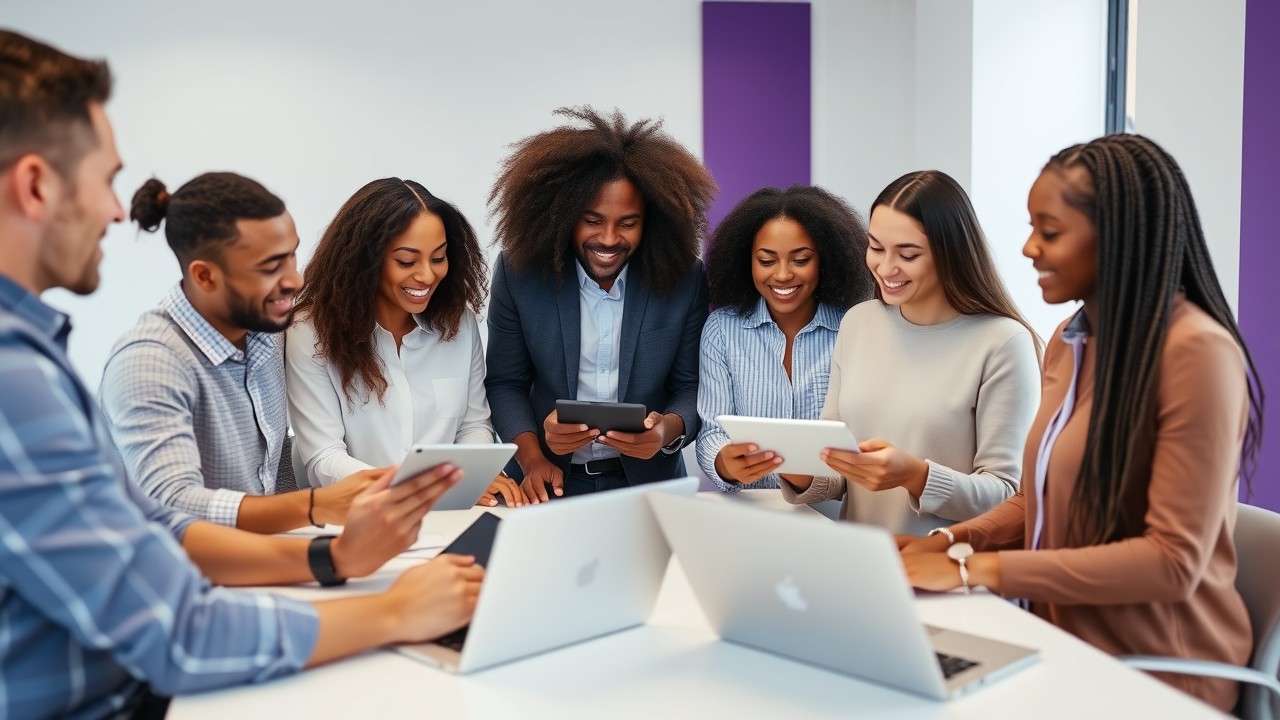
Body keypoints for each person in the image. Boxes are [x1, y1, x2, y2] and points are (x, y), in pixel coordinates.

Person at [0, 30, 482, 719]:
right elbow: (180, 630)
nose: (116, 209)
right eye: (104, 178)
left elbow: (151, 534)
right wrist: (393, 609)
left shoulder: (258, 337)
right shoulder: (34, 376)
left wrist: (334, 559)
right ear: (38, 185)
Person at [900, 135, 1265, 713]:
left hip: (1157, 673)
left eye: (1049, 231)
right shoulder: (1071, 343)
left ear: (1117, 236)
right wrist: (951, 541)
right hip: (1061, 645)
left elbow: (1171, 562)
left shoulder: (1197, 353)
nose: (1026, 248)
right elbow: (1042, 499)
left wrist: (979, 570)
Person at [98, 172, 380, 532]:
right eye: (270, 267)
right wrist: (314, 506)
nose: (296, 280)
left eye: (292, 256)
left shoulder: (267, 331)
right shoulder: (149, 362)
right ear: (205, 277)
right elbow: (172, 501)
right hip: (171, 573)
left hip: (253, 555)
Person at [781, 170, 1041, 535]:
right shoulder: (859, 322)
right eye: (876, 247)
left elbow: (1005, 496)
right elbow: (840, 470)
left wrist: (917, 476)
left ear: (951, 254)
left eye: (907, 254)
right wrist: (792, 465)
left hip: (947, 571)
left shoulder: (1002, 342)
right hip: (860, 562)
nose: (885, 268)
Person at [485, 106, 717, 502]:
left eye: (628, 223)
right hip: (545, 480)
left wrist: (666, 431)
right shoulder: (519, 272)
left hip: (650, 488)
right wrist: (532, 458)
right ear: (563, 216)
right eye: (592, 220)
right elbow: (506, 383)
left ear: (653, 222)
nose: (609, 239)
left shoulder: (684, 279)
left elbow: (691, 384)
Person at [286, 178, 522, 507]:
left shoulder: (458, 322)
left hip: (452, 511)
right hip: (361, 516)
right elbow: (324, 460)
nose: (427, 276)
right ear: (365, 261)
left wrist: (475, 476)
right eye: (407, 262)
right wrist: (430, 488)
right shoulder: (309, 332)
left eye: (438, 258)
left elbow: (473, 424)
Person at [696, 185, 874, 491]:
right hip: (750, 513)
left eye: (800, 260)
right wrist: (725, 462)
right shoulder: (721, 330)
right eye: (766, 261)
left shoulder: (854, 328)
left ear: (825, 260)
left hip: (829, 513)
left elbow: (864, 436)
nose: (782, 275)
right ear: (746, 261)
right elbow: (711, 433)